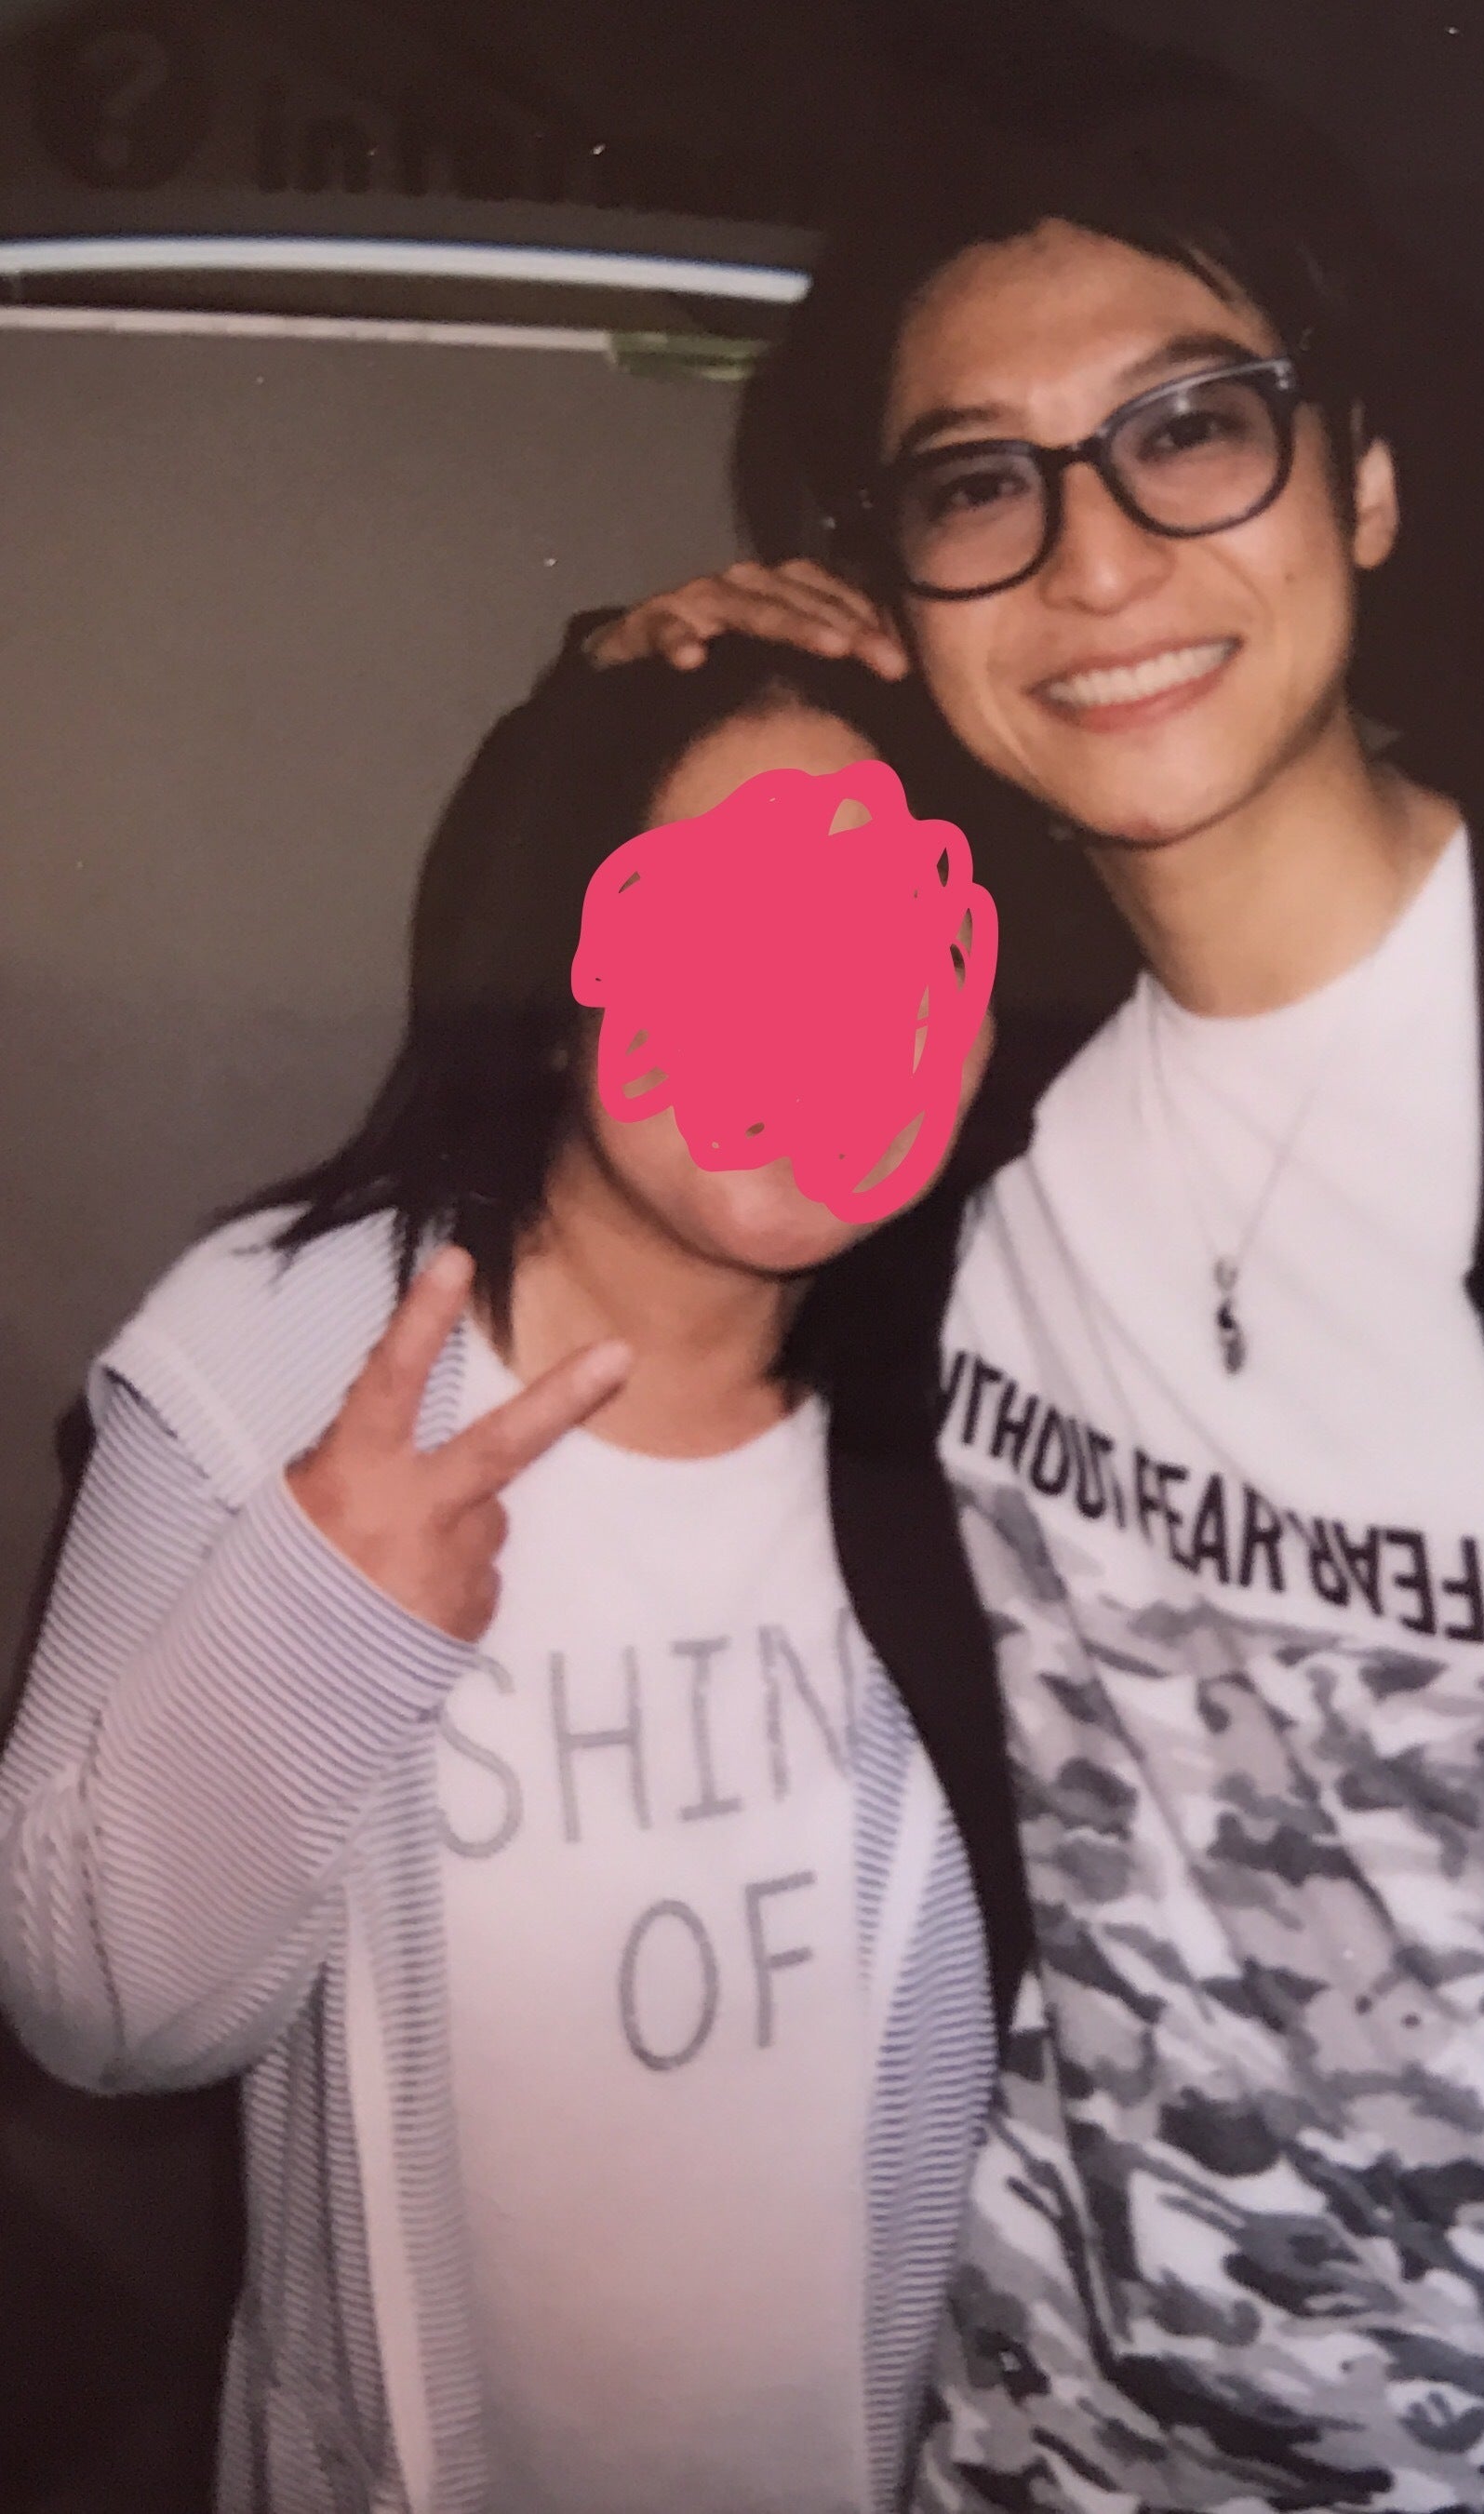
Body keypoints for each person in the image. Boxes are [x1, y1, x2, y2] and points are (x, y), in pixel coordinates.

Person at [589, 78, 1484, 2514]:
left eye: (1188, 430)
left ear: (1364, 483)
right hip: (1056, 2426)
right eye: (976, 487)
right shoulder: (953, 1101)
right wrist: (665, 698)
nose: (1094, 558)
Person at [0, 638, 1031, 2514]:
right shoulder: (281, 1342)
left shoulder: (999, 1406)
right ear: (556, 990)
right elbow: (92, 2005)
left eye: (887, 935)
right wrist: (312, 1613)